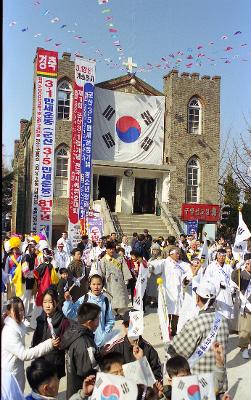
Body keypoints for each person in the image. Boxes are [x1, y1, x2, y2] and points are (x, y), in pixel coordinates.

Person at [166, 280, 229, 394]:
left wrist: (168, 344)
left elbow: (177, 351)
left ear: (197, 298)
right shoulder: (224, 320)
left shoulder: (195, 322)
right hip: (218, 383)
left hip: (198, 386)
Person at [1, 296, 59, 392]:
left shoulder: (18, 325)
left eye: (21, 310)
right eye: (16, 310)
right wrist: (49, 344)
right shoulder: (10, 332)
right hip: (11, 375)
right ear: (8, 312)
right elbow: (24, 354)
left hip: (16, 372)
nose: (20, 313)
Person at [105, 310, 162, 382]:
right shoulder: (115, 347)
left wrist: (142, 363)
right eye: (127, 325)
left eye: (134, 324)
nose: (131, 328)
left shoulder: (149, 349)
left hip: (143, 389)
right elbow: (105, 371)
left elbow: (157, 375)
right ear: (123, 326)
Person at [60, 302, 101, 398]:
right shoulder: (85, 343)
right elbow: (90, 372)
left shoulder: (73, 333)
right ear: (89, 322)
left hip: (73, 391)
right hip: (83, 393)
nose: (98, 323)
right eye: (97, 319)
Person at [63, 274, 115, 348]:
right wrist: (68, 301)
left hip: (102, 341)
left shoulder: (105, 300)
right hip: (85, 340)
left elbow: (110, 320)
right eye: (93, 284)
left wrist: (105, 334)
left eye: (99, 284)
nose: (96, 287)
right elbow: (70, 314)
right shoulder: (84, 299)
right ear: (90, 285)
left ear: (102, 285)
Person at [149, 248, 190, 336]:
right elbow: (155, 266)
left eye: (179, 253)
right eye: (177, 254)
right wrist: (149, 266)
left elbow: (190, 270)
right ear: (171, 254)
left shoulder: (182, 264)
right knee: (165, 313)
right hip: (167, 293)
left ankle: (174, 331)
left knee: (177, 313)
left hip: (178, 293)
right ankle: (164, 331)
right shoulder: (164, 262)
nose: (179, 255)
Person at [31, 288, 70, 379]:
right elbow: (35, 341)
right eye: (45, 302)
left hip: (55, 364)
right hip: (41, 363)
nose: (47, 305)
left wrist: (60, 344)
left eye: (50, 302)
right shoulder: (40, 320)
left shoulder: (63, 321)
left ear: (56, 302)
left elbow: (68, 342)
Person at [100, 242, 131, 319]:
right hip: (109, 282)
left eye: (112, 249)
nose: (111, 250)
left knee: (121, 298)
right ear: (106, 250)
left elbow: (124, 268)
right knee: (111, 298)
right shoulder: (104, 259)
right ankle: (113, 313)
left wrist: (126, 278)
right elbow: (101, 272)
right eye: (109, 249)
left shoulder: (119, 258)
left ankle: (121, 313)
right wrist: (100, 282)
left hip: (120, 281)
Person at [203, 248, 234, 320]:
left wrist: (231, 289)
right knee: (216, 315)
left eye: (223, 256)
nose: (221, 257)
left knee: (226, 315)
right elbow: (206, 279)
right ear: (217, 256)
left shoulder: (228, 267)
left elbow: (232, 279)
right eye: (219, 255)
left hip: (226, 294)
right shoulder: (211, 266)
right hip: (215, 293)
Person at [231, 256, 251, 359]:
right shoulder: (242, 274)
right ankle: (244, 349)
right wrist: (237, 267)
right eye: (249, 264)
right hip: (247, 307)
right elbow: (234, 277)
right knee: (245, 330)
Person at [146, 242, 162, 308]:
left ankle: (155, 301)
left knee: (156, 289)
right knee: (151, 288)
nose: (155, 251)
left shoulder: (160, 259)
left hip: (157, 276)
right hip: (151, 276)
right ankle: (151, 299)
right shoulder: (150, 259)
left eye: (156, 250)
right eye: (154, 250)